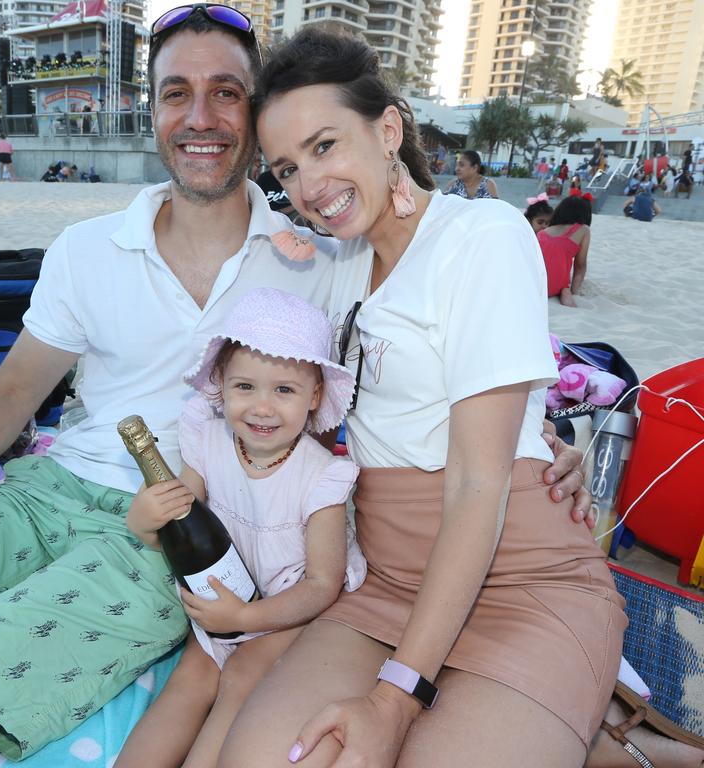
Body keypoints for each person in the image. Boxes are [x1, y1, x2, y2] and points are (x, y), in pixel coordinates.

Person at [0, 9, 591, 768]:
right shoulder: (95, 249)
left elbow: (462, 379)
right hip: (48, 493)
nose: (201, 117)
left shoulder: (315, 256)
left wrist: (541, 444)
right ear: (148, 111)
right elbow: (5, 399)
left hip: (185, 533)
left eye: (226, 94)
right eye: (175, 93)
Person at [219, 26, 638, 768]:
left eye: (324, 146)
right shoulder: (336, 268)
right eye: (286, 168)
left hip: (519, 578)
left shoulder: (480, 235)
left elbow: (480, 482)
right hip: (387, 580)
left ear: (387, 131)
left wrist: (394, 695)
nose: (308, 186)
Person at [116, 288, 366, 768]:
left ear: (315, 396)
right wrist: (145, 522)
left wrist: (247, 621)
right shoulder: (208, 440)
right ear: (222, 384)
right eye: (245, 387)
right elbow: (180, 524)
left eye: (284, 390)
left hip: (287, 607)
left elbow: (322, 584)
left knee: (242, 677)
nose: (261, 408)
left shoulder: (321, 477)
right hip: (223, 595)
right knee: (190, 680)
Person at [537, 194, 591, 308]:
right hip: (555, 285)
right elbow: (580, 266)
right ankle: (565, 291)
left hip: (536, 284)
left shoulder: (543, 232)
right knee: (563, 285)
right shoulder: (583, 230)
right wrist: (575, 291)